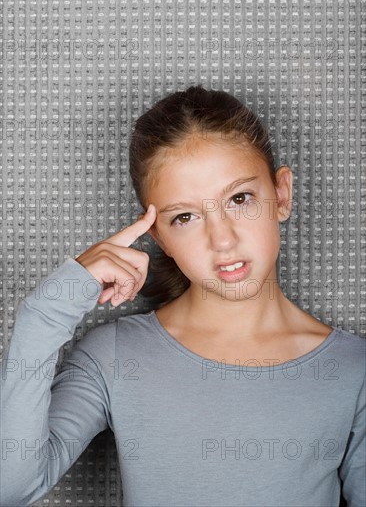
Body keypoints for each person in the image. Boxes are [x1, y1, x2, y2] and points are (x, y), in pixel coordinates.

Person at [0, 85, 365, 507]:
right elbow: (11, 488)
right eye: (186, 217)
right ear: (158, 236)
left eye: (239, 198)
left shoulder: (353, 371)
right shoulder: (117, 356)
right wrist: (46, 309)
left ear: (281, 194)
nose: (222, 240)